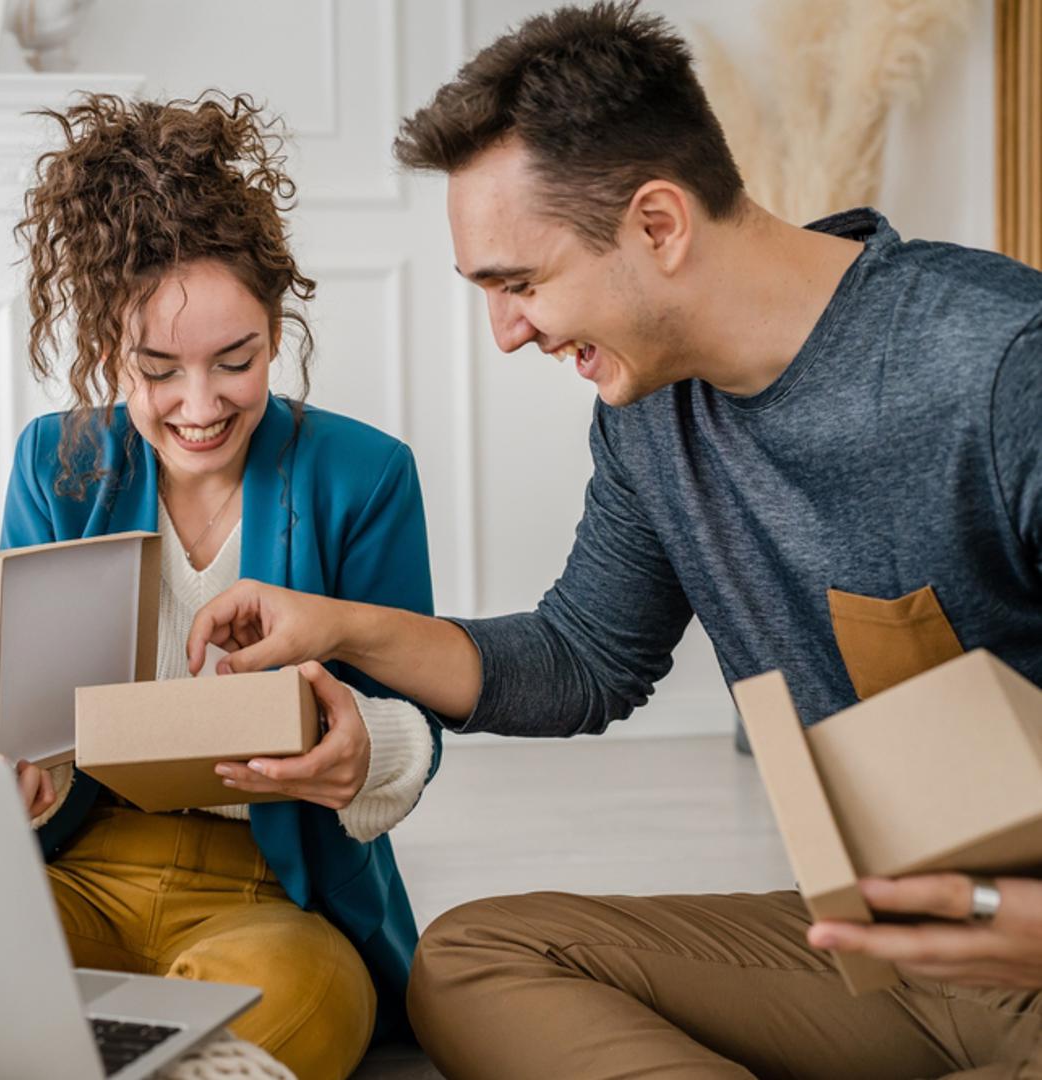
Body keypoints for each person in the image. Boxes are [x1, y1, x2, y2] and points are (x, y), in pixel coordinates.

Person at [182, 3, 1042, 1077]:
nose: (505, 332)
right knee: (472, 959)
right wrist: (346, 626)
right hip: (896, 944)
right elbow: (585, 661)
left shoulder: (1001, 368)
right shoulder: (650, 417)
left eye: (521, 283)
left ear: (659, 225)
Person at [0, 92, 442, 1080]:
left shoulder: (363, 478)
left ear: (276, 332)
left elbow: (417, 725)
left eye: (234, 363)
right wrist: (13, 768)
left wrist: (364, 749)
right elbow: (20, 718)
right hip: (83, 867)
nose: (200, 408)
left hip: (271, 895)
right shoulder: (54, 464)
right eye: (158, 371)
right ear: (111, 352)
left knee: (291, 1014)